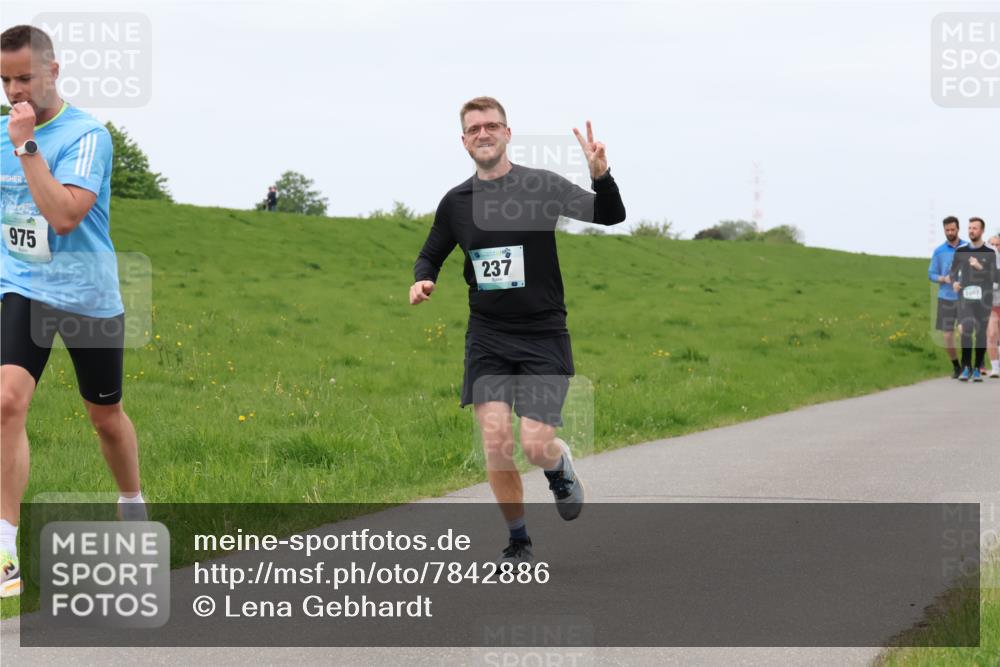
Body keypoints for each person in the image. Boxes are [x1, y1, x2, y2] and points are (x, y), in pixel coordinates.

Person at [409, 97, 626, 564]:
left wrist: (600, 175)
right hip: (487, 335)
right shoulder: (456, 203)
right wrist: (423, 277)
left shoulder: (539, 186)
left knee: (533, 443)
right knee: (495, 441)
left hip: (543, 332)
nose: (483, 134)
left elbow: (609, 215)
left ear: (507, 133)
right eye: (474, 129)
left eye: (491, 126)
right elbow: (432, 251)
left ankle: (556, 465)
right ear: (463, 141)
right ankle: (519, 541)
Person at [0, 25, 146, 598]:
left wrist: (26, 145)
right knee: (7, 400)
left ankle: (132, 504)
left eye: (25, 78)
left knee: (105, 418)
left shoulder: (89, 136)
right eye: (6, 80)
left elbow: (63, 216)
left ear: (53, 72)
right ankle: (5, 548)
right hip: (21, 285)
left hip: (86, 294)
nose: (15, 91)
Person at [948, 217, 998, 382]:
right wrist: (954, 282)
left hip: (984, 298)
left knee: (981, 333)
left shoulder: (991, 252)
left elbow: (996, 276)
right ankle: (966, 367)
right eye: (969, 228)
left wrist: (979, 267)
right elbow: (953, 271)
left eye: (975, 228)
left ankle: (977, 367)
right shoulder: (961, 251)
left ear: (982, 230)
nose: (971, 231)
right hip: (965, 298)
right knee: (966, 328)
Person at [928, 216, 967, 378]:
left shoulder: (968, 247)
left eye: (953, 229)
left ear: (958, 229)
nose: (950, 232)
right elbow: (931, 274)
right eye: (947, 230)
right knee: (947, 335)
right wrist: (943, 279)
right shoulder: (939, 251)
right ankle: (956, 366)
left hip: (965, 297)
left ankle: (968, 365)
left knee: (965, 330)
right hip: (945, 297)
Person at [987, 234, 1000, 378]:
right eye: (992, 244)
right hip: (989, 305)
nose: (995, 247)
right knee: (991, 334)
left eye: (998, 244)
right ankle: (995, 368)